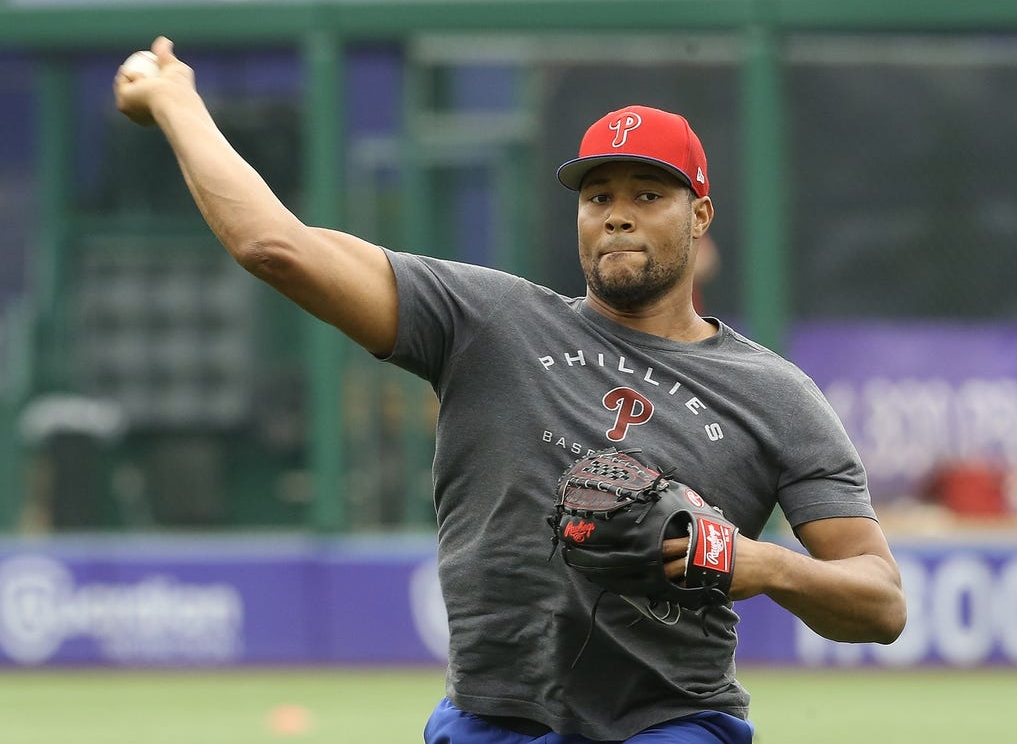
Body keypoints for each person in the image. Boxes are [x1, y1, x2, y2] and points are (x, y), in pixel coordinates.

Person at [115, 37, 906, 744]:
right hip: (491, 716)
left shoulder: (773, 393)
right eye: (599, 197)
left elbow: (879, 601)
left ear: (699, 214)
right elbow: (274, 246)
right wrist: (176, 100)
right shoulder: (487, 321)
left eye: (647, 195)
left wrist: (757, 562)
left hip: (669, 722)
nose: (618, 217)